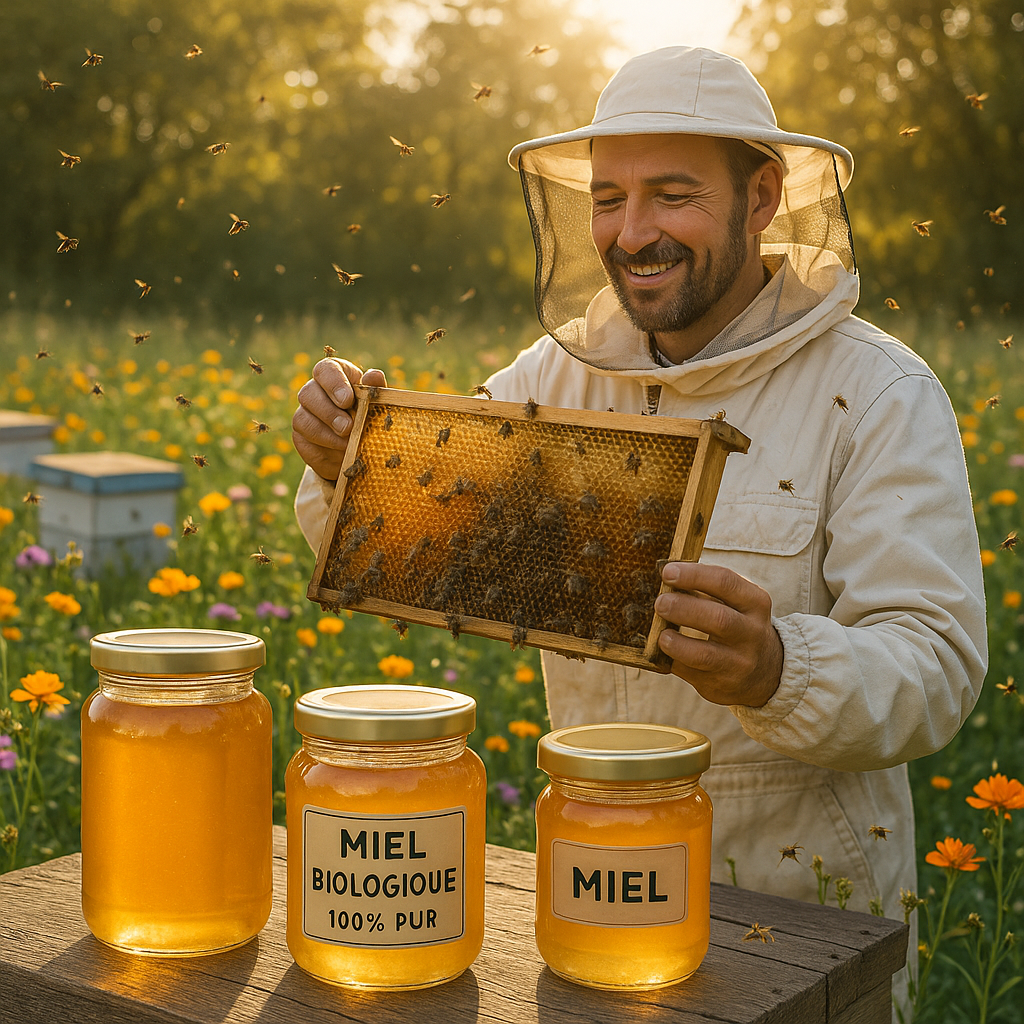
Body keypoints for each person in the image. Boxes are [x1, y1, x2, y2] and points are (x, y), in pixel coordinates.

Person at [292, 46, 986, 1009]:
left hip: (799, 916)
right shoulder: (552, 379)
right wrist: (347, 463)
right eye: (609, 198)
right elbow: (423, 540)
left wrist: (779, 667)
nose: (633, 232)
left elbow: (936, 665)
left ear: (762, 198)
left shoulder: (878, 393)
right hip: (592, 883)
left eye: (672, 194)